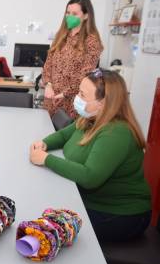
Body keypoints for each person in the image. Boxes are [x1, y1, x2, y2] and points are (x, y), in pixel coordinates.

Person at [30, 69, 151, 242]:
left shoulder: (116, 133)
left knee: (49, 231)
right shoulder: (90, 118)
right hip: (91, 201)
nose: (77, 98)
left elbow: (90, 176)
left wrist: (46, 159)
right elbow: (64, 135)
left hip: (121, 215)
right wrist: (45, 143)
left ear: (102, 103)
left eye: (82, 94)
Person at [42, 0, 104, 118]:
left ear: (86, 16)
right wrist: (48, 85)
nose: (70, 16)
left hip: (72, 101)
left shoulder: (92, 41)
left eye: (75, 13)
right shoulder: (61, 36)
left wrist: (65, 94)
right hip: (51, 97)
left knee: (65, 134)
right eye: (68, 13)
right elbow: (48, 63)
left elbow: (85, 73)